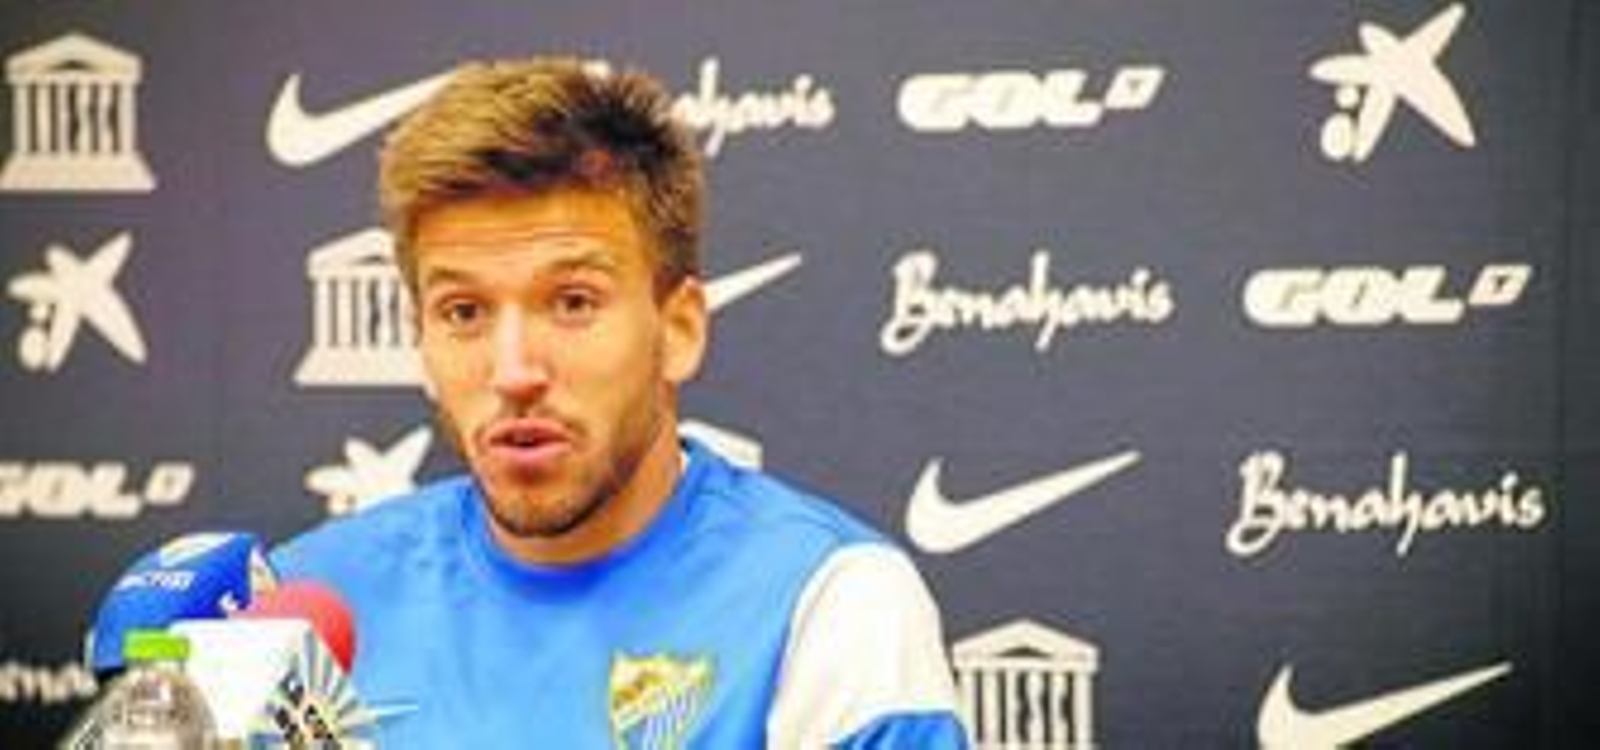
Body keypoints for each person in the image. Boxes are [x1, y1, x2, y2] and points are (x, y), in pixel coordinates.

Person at [272, 56, 970, 748]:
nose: (514, 371)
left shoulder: (829, 604)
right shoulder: (306, 603)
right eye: (463, 312)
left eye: (573, 302)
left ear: (679, 329)